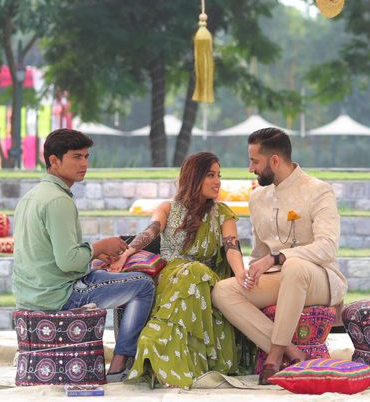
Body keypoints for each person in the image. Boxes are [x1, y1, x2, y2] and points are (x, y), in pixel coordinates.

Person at [12, 129, 155, 381]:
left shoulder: (32, 196)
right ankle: (121, 361)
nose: (84, 164)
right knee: (143, 285)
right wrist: (99, 247)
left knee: (109, 275)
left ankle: (121, 359)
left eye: (86, 156)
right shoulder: (58, 200)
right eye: (76, 157)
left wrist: (94, 259)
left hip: (33, 292)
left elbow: (57, 259)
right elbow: (68, 262)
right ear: (54, 161)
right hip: (59, 296)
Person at [212, 128, 347, 384]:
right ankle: (293, 353)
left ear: (275, 160)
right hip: (279, 277)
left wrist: (277, 259)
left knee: (295, 267)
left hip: (320, 278)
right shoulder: (258, 197)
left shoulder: (318, 190)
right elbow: (260, 253)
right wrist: (251, 272)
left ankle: (274, 358)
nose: (250, 168)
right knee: (223, 291)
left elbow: (328, 247)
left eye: (254, 161)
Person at [109, 152, 246, 388]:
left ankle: (154, 342)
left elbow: (232, 247)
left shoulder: (223, 213)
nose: (218, 181)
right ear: (194, 177)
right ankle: (157, 350)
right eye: (210, 175)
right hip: (170, 276)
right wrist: (128, 252)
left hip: (204, 280)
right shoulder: (168, 208)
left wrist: (241, 274)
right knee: (188, 272)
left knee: (194, 272)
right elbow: (151, 231)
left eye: (219, 175)